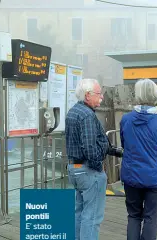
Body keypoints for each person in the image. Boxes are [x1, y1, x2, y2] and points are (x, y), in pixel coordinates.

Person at [120, 78, 157, 240]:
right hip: (155, 177)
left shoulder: (126, 120)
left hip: (131, 176)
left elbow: (124, 144)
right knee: (151, 217)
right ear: (155, 95)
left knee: (134, 215)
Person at [65, 78, 109, 240]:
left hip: (74, 169)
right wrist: (98, 167)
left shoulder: (73, 111)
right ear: (88, 95)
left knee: (79, 213)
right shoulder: (87, 116)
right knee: (92, 217)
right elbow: (90, 148)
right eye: (99, 94)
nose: (102, 97)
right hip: (88, 171)